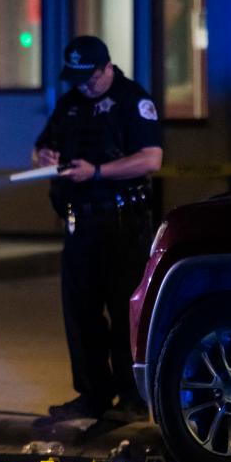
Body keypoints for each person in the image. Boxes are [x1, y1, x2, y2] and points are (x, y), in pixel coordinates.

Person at [33, 35, 163, 422]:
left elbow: (151, 159)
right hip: (80, 223)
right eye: (78, 78)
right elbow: (41, 146)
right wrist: (44, 155)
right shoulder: (71, 103)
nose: (85, 85)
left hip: (123, 222)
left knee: (125, 312)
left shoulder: (132, 100)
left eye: (90, 77)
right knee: (81, 313)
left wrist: (99, 172)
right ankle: (93, 394)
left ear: (107, 68)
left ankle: (132, 397)